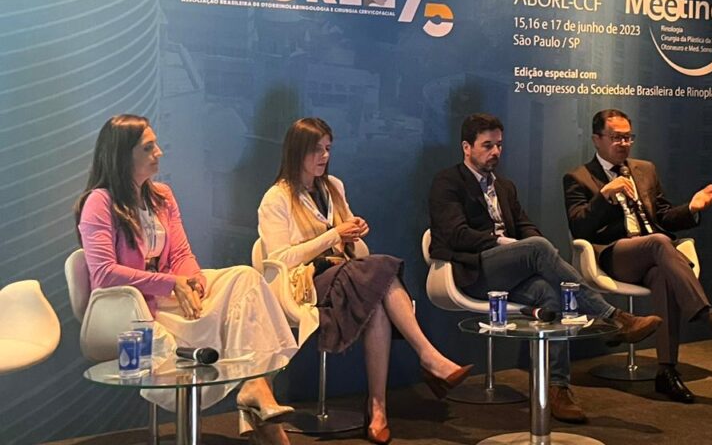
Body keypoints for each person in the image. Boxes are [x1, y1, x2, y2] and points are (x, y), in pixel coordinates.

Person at [75, 115, 297, 445]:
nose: (159, 152)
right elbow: (104, 274)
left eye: (156, 144)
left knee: (245, 278)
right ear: (122, 155)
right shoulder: (99, 202)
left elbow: (180, 254)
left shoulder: (162, 196)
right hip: (127, 310)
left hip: (168, 296)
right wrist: (171, 284)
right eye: (148, 147)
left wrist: (193, 283)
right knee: (185, 329)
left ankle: (255, 386)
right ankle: (261, 413)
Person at [429, 113, 661, 424]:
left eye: (499, 145)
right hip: (472, 272)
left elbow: (526, 226)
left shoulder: (505, 187)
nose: (496, 152)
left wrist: (536, 248)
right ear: (466, 147)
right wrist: (508, 244)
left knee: (551, 294)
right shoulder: (448, 182)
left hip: (510, 273)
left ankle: (557, 389)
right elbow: (455, 234)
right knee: (537, 248)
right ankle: (613, 316)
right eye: (487, 146)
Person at [258, 117, 471, 445]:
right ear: (296, 151)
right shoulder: (277, 198)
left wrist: (354, 236)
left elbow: (360, 255)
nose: (324, 156)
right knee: (382, 269)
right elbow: (279, 259)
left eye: (328, 148)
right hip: (303, 285)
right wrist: (334, 235)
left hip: (346, 277)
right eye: (316, 150)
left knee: (378, 300)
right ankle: (428, 357)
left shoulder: (333, 187)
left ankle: (378, 408)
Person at [563, 109, 712, 403]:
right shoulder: (577, 177)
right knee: (660, 243)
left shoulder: (644, 169)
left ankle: (666, 371)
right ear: (597, 139)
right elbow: (579, 227)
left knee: (663, 275)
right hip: (613, 255)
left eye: (628, 137)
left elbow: (663, 216)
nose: (623, 144)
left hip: (653, 252)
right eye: (616, 137)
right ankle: (711, 318)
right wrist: (604, 195)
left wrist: (692, 208)